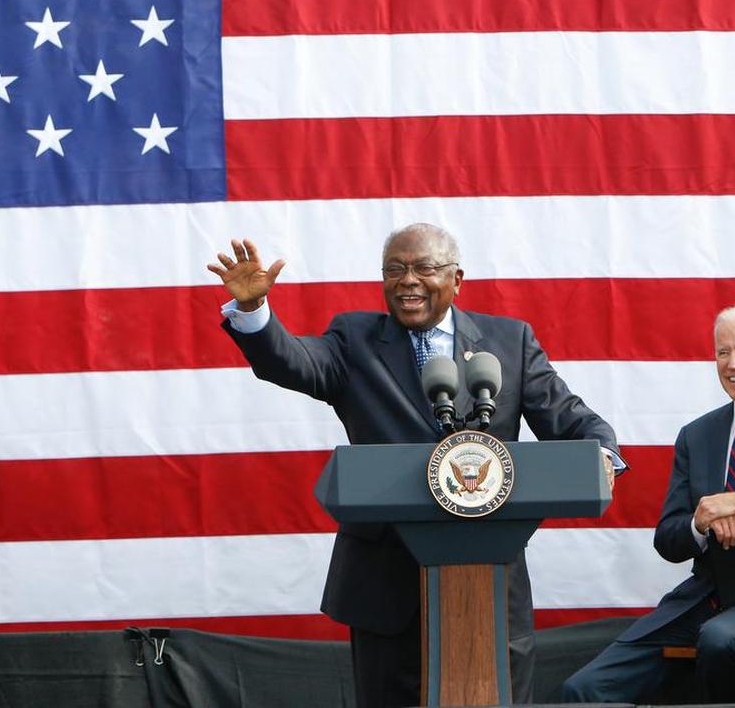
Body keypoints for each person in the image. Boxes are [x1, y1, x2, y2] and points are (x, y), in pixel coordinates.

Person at [207, 223, 623, 708]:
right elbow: (293, 362)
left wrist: (601, 454)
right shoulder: (353, 339)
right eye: (395, 270)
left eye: (424, 268)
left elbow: (567, 416)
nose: (408, 281)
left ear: (456, 278)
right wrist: (255, 311)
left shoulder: (508, 342)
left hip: (487, 584)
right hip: (386, 582)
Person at [562, 305, 735, 703]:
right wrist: (702, 521)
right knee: (584, 689)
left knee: (719, 640)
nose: (732, 364)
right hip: (702, 598)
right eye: (722, 353)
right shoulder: (697, 435)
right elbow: (669, 539)